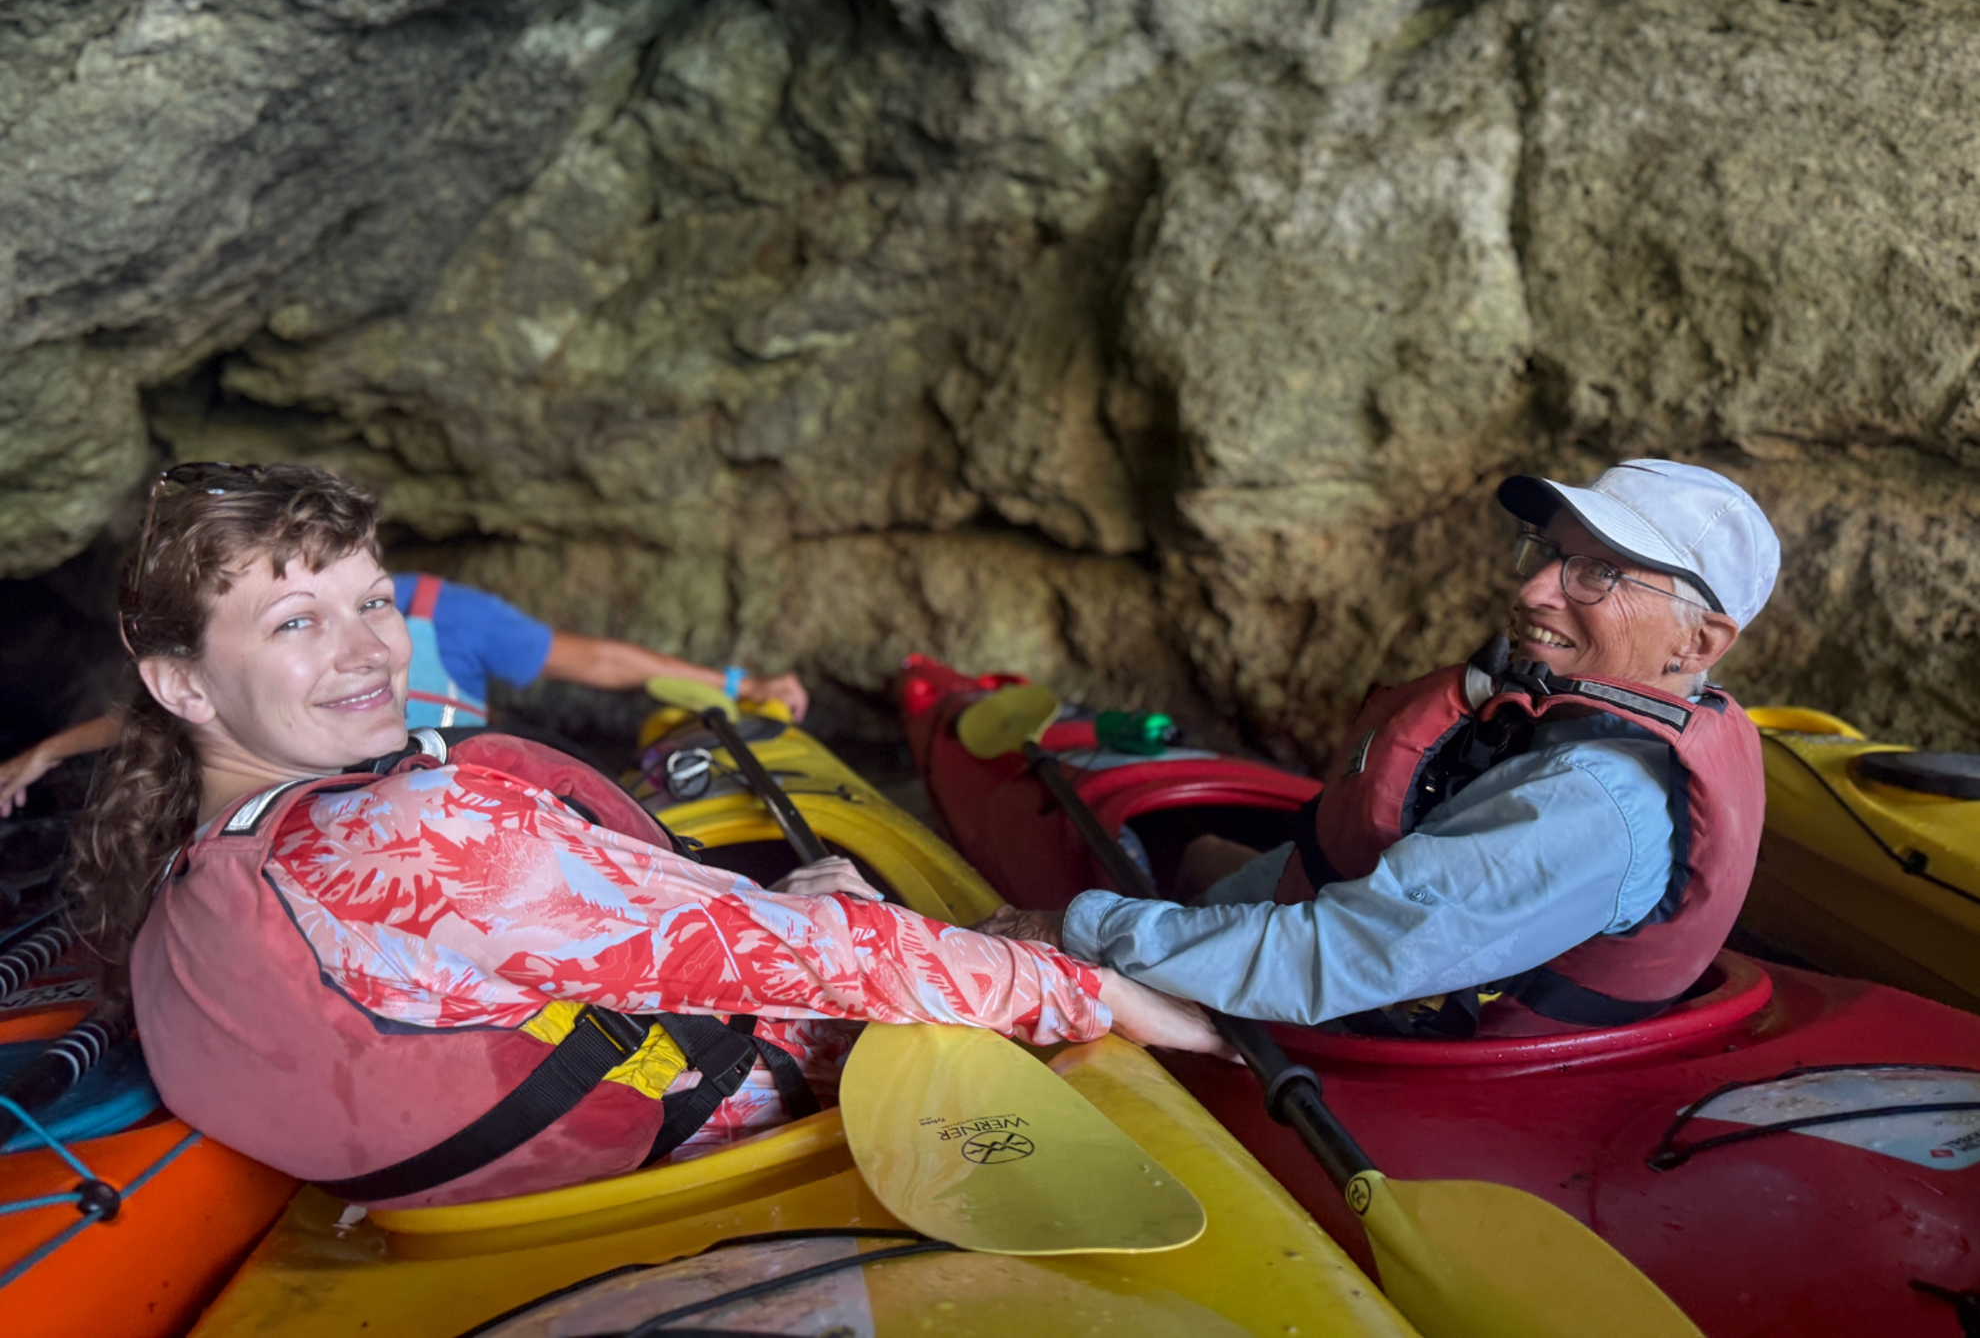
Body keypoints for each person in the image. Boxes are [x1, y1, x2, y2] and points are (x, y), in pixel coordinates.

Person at [68, 462, 1220, 1208]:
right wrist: (1095, 995)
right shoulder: (411, 828)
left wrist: (773, 911)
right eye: (295, 623)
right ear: (183, 683)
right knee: (1033, 938)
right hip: (721, 1133)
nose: (370, 650)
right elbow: (814, 960)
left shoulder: (192, 874)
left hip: (500, 1195)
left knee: (805, 899)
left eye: (373, 600)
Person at [982, 460, 1780, 1039]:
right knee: (1202, 855)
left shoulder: (1590, 804)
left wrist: (1080, 927)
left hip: (1388, 1034)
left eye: (1597, 573)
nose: (1534, 589)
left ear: (1699, 641)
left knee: (1158, 896)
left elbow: (1331, 959)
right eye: (1547, 552)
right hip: (1363, 942)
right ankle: (1198, 885)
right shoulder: (1605, 709)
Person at [0, 563, 808, 817]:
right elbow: (186, 703)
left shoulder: (453, 612)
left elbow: (599, 662)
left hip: (443, 805)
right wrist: (46, 751)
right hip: (317, 818)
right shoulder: (255, 636)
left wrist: (741, 687)